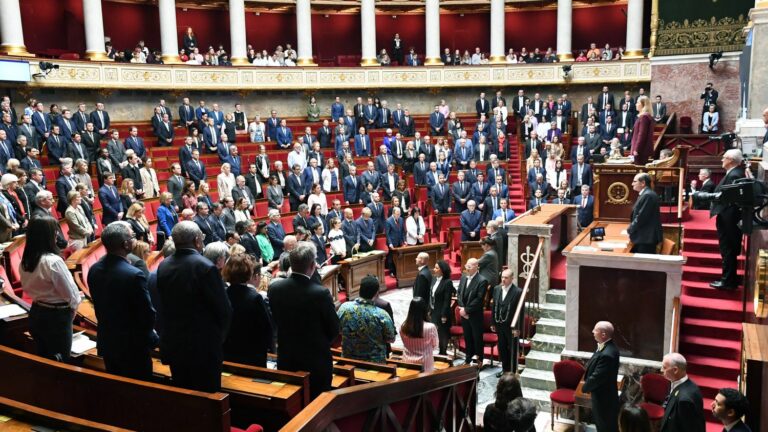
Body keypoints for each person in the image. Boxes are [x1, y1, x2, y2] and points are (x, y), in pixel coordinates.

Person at [157, 221, 232, 392]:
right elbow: (224, 310)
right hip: (203, 348)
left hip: (176, 344)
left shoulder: (164, 265)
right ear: (197, 240)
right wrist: (218, 338)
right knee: (207, 396)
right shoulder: (205, 267)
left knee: (184, 395)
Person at [268, 242, 339, 399]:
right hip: (316, 361)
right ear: (313, 265)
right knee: (318, 404)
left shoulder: (275, 288)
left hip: (287, 357)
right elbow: (334, 329)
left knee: (293, 402)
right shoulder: (320, 293)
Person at [88, 222, 156, 380]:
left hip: (108, 341)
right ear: (125, 244)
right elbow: (147, 313)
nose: (134, 240)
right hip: (133, 347)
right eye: (132, 237)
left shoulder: (94, 269)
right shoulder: (134, 274)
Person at [20, 216, 81, 361]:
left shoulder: (26, 260)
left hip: (36, 311)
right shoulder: (53, 261)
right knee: (61, 360)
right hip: (57, 317)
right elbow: (71, 295)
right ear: (48, 236)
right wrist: (73, 308)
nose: (57, 236)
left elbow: (27, 288)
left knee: (44, 357)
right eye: (55, 232)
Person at [696, 149, 746, 290]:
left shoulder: (734, 174)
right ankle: (730, 279)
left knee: (728, 249)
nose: (721, 160)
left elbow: (724, 196)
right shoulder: (735, 173)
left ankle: (728, 282)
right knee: (728, 249)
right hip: (729, 217)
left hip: (729, 218)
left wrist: (704, 196)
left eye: (723, 158)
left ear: (730, 160)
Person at [222, 254, 273, 367]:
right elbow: (266, 328)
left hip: (227, 350)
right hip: (251, 354)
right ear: (249, 273)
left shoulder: (223, 294)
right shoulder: (255, 297)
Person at [337, 274, 396, 363]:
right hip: (374, 364)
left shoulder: (344, 308)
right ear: (376, 293)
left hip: (348, 361)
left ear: (359, 288)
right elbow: (391, 339)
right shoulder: (382, 315)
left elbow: (338, 330)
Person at [582, 321, 620, 432]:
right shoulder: (606, 347)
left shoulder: (607, 354)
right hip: (602, 396)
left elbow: (597, 376)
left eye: (595, 330)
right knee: (601, 424)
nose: (593, 332)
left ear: (603, 334)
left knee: (605, 426)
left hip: (604, 399)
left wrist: (584, 388)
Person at [659, 353, 706, 432]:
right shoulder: (676, 381)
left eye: (664, 367)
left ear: (675, 370)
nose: (661, 370)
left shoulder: (684, 400)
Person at [457, 258, 488, 366]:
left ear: (476, 267)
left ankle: (479, 361)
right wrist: (462, 307)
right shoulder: (463, 277)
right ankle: (468, 358)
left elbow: (479, 299)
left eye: (470, 266)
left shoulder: (482, 280)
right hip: (464, 313)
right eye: (467, 266)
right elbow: (459, 293)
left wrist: (466, 310)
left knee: (477, 338)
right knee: (467, 337)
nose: (467, 268)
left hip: (474, 315)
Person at [491, 269, 523, 376]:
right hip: (499, 324)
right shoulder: (496, 289)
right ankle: (505, 369)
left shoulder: (517, 292)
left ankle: (512, 371)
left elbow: (520, 312)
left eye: (506, 278)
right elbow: (494, 306)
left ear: (512, 278)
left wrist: (518, 328)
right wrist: (493, 323)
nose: (503, 280)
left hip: (511, 326)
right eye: (502, 277)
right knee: (502, 347)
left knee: (512, 348)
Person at [400, 297, 439, 372]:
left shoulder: (403, 326)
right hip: (425, 363)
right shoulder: (431, 327)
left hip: (407, 362)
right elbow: (435, 346)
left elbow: (404, 343)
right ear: (425, 310)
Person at [628, 173, 663, 254]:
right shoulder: (646, 194)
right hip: (644, 237)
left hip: (646, 239)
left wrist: (630, 229)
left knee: (643, 265)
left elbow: (641, 217)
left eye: (634, 181)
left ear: (643, 183)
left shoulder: (648, 195)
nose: (632, 184)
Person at [630, 96, 654, 164]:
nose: (636, 104)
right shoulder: (644, 116)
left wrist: (637, 149)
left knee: (639, 171)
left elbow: (642, 134)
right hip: (641, 150)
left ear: (643, 104)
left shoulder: (644, 117)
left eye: (638, 102)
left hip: (641, 151)